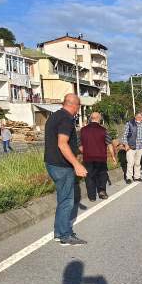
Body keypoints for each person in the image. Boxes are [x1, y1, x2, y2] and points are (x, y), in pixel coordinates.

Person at [44, 94, 88, 246]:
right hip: (62, 165)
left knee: (63, 199)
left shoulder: (55, 116)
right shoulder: (66, 118)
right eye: (79, 106)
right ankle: (64, 235)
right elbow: (62, 144)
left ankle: (59, 232)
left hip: (52, 163)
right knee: (67, 201)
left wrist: (78, 150)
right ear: (74, 105)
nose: (78, 110)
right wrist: (77, 164)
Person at [79, 112, 117, 202]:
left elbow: (79, 145)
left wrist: (86, 152)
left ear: (90, 118)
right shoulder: (103, 130)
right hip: (100, 158)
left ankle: (92, 196)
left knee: (89, 177)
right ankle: (102, 191)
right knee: (102, 174)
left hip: (88, 158)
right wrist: (113, 157)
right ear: (99, 119)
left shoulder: (83, 130)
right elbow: (109, 144)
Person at [121, 113, 142, 184]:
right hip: (131, 146)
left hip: (140, 146)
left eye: (141, 117)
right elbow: (125, 135)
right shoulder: (130, 123)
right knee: (130, 163)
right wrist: (126, 144)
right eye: (138, 116)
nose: (140, 118)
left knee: (137, 163)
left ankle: (137, 176)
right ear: (135, 117)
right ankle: (129, 177)